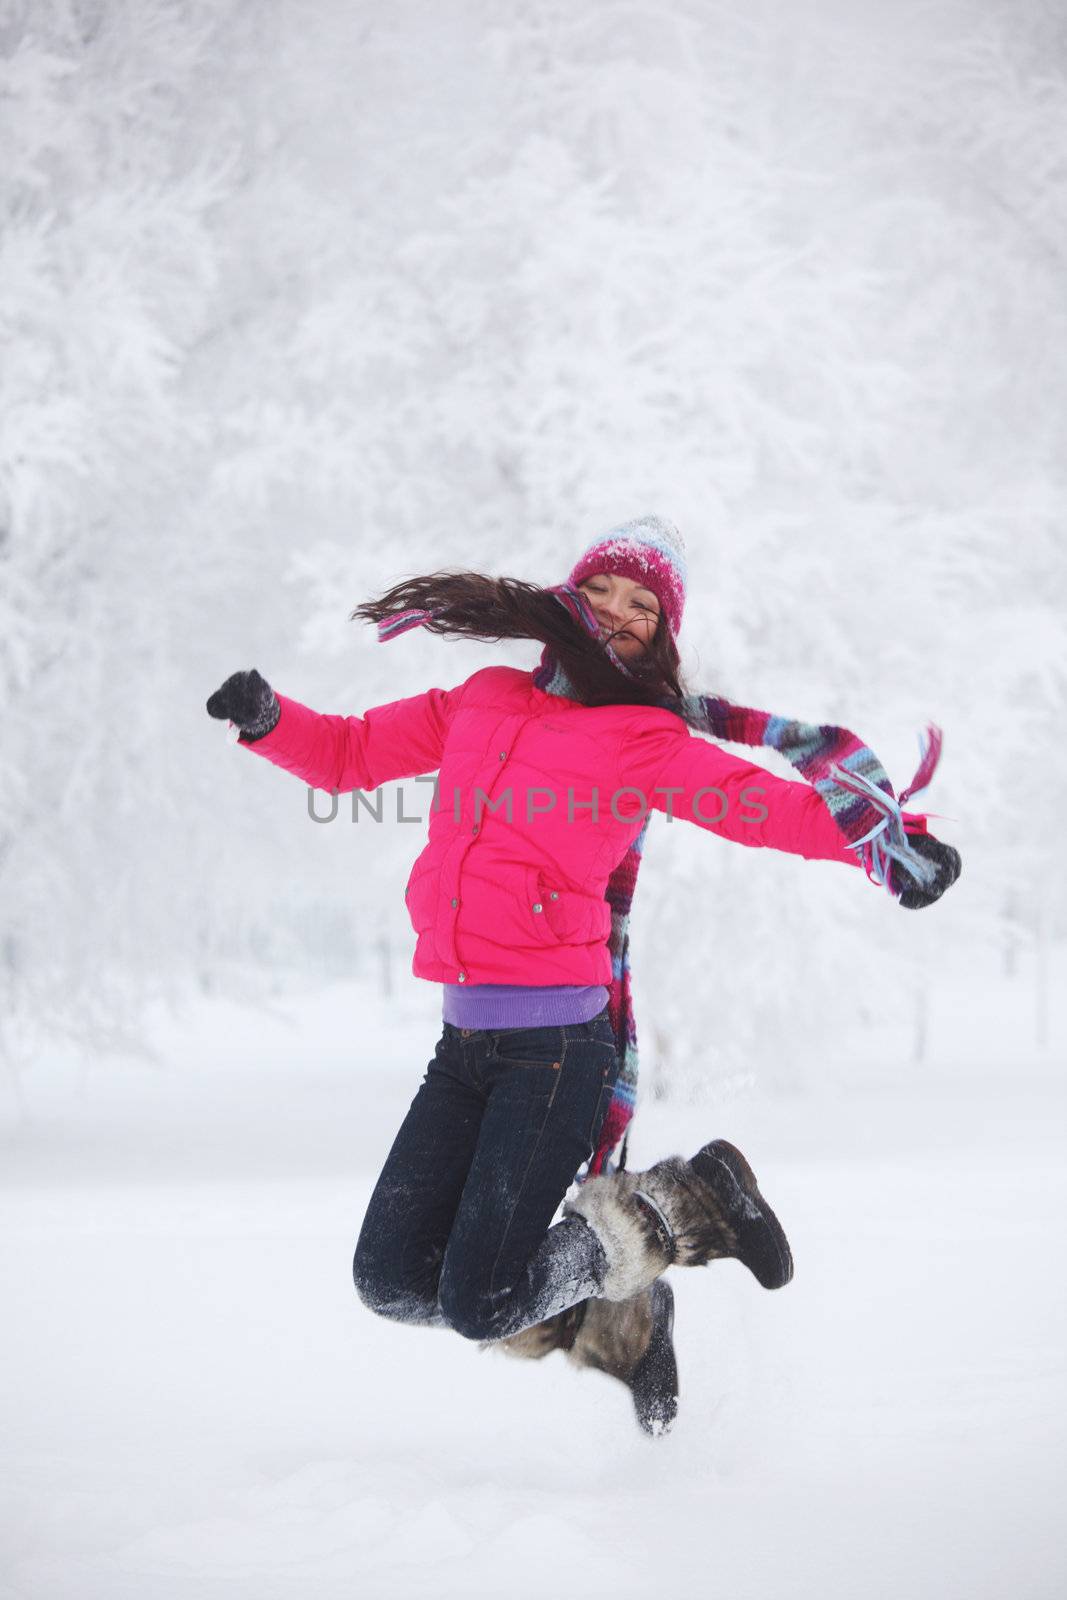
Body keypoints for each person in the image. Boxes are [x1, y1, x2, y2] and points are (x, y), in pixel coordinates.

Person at [206, 516, 961, 1437]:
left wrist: (885, 846)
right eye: (602, 588)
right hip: (464, 1046)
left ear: (660, 634)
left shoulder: (640, 737)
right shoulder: (482, 698)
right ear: (566, 596)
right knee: (394, 1282)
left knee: (481, 1298)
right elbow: (355, 754)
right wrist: (271, 721)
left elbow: (759, 809)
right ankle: (629, 1316)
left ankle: (686, 1203)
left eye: (642, 605)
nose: (616, 611)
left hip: (555, 1053)